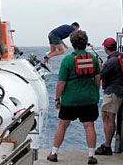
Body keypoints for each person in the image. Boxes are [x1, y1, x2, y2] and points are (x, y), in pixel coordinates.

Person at [47, 30, 100, 164]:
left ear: (72, 43)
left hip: (70, 99)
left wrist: (57, 98)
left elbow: (61, 82)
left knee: (62, 124)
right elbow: (98, 79)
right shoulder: (93, 59)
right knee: (89, 125)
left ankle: (54, 153)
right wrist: (94, 91)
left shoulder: (68, 59)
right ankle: (91, 155)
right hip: (89, 98)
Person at [95, 38, 123, 155]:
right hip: (118, 89)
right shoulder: (120, 56)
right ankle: (107, 144)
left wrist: (100, 65)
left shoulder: (110, 62)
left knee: (109, 117)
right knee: (106, 115)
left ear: (105, 48)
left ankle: (107, 146)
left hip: (112, 92)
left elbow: (101, 75)